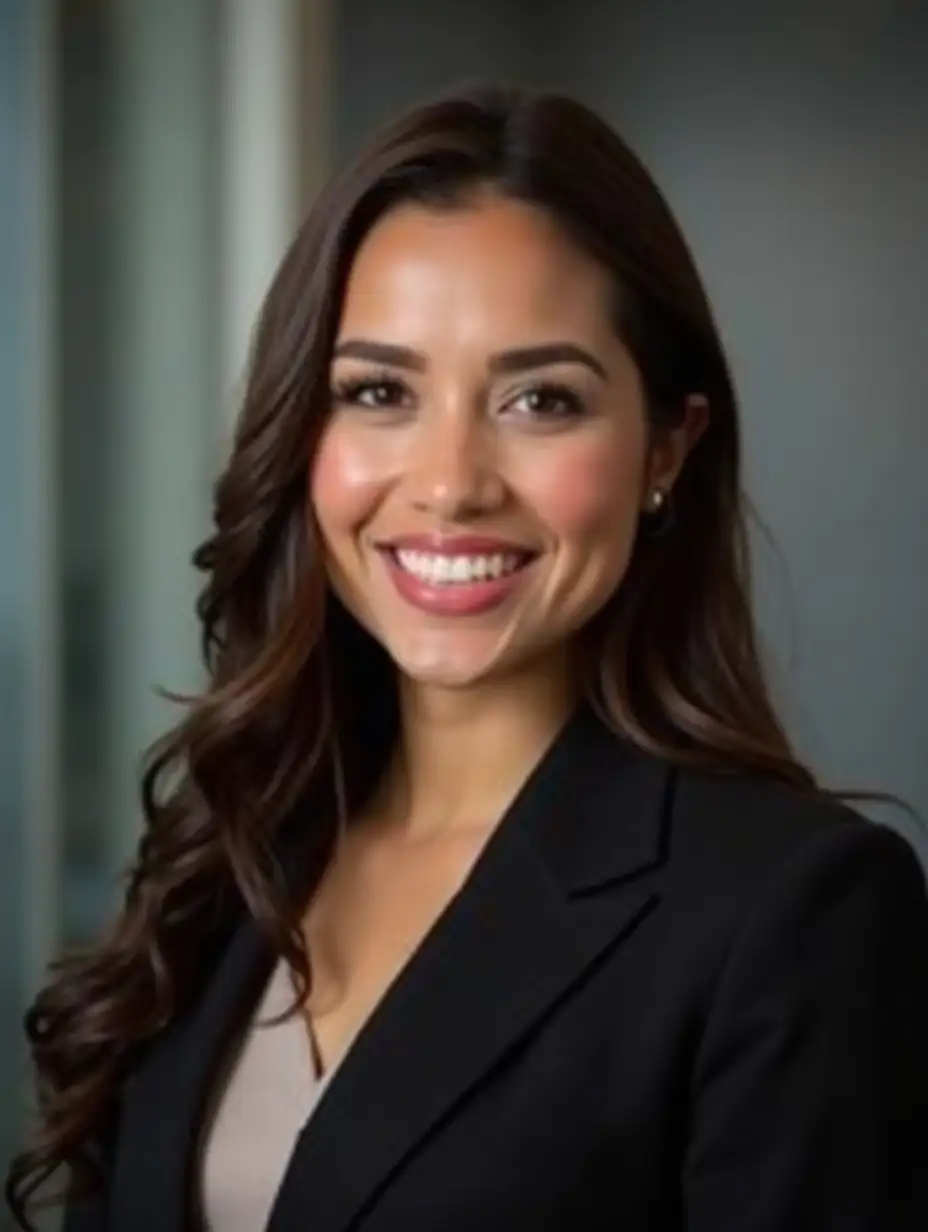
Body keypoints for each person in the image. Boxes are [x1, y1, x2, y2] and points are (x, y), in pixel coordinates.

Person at [7, 85, 928, 1232]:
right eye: (378, 392)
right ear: (305, 430)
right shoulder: (232, 850)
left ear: (666, 448)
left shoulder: (791, 912)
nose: (449, 480)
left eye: (540, 399)